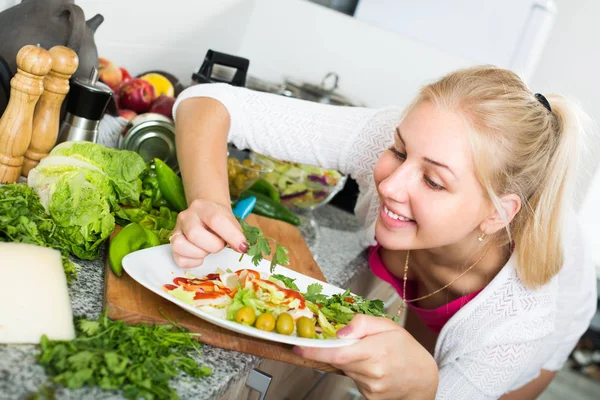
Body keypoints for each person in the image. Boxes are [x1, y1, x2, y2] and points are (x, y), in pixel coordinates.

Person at [168, 66, 598, 399]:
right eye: (398, 150)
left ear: (496, 213)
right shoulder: (405, 144)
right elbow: (207, 101)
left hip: (554, 311)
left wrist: (422, 388)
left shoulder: (517, 325)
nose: (389, 184)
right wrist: (210, 202)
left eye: (433, 181)